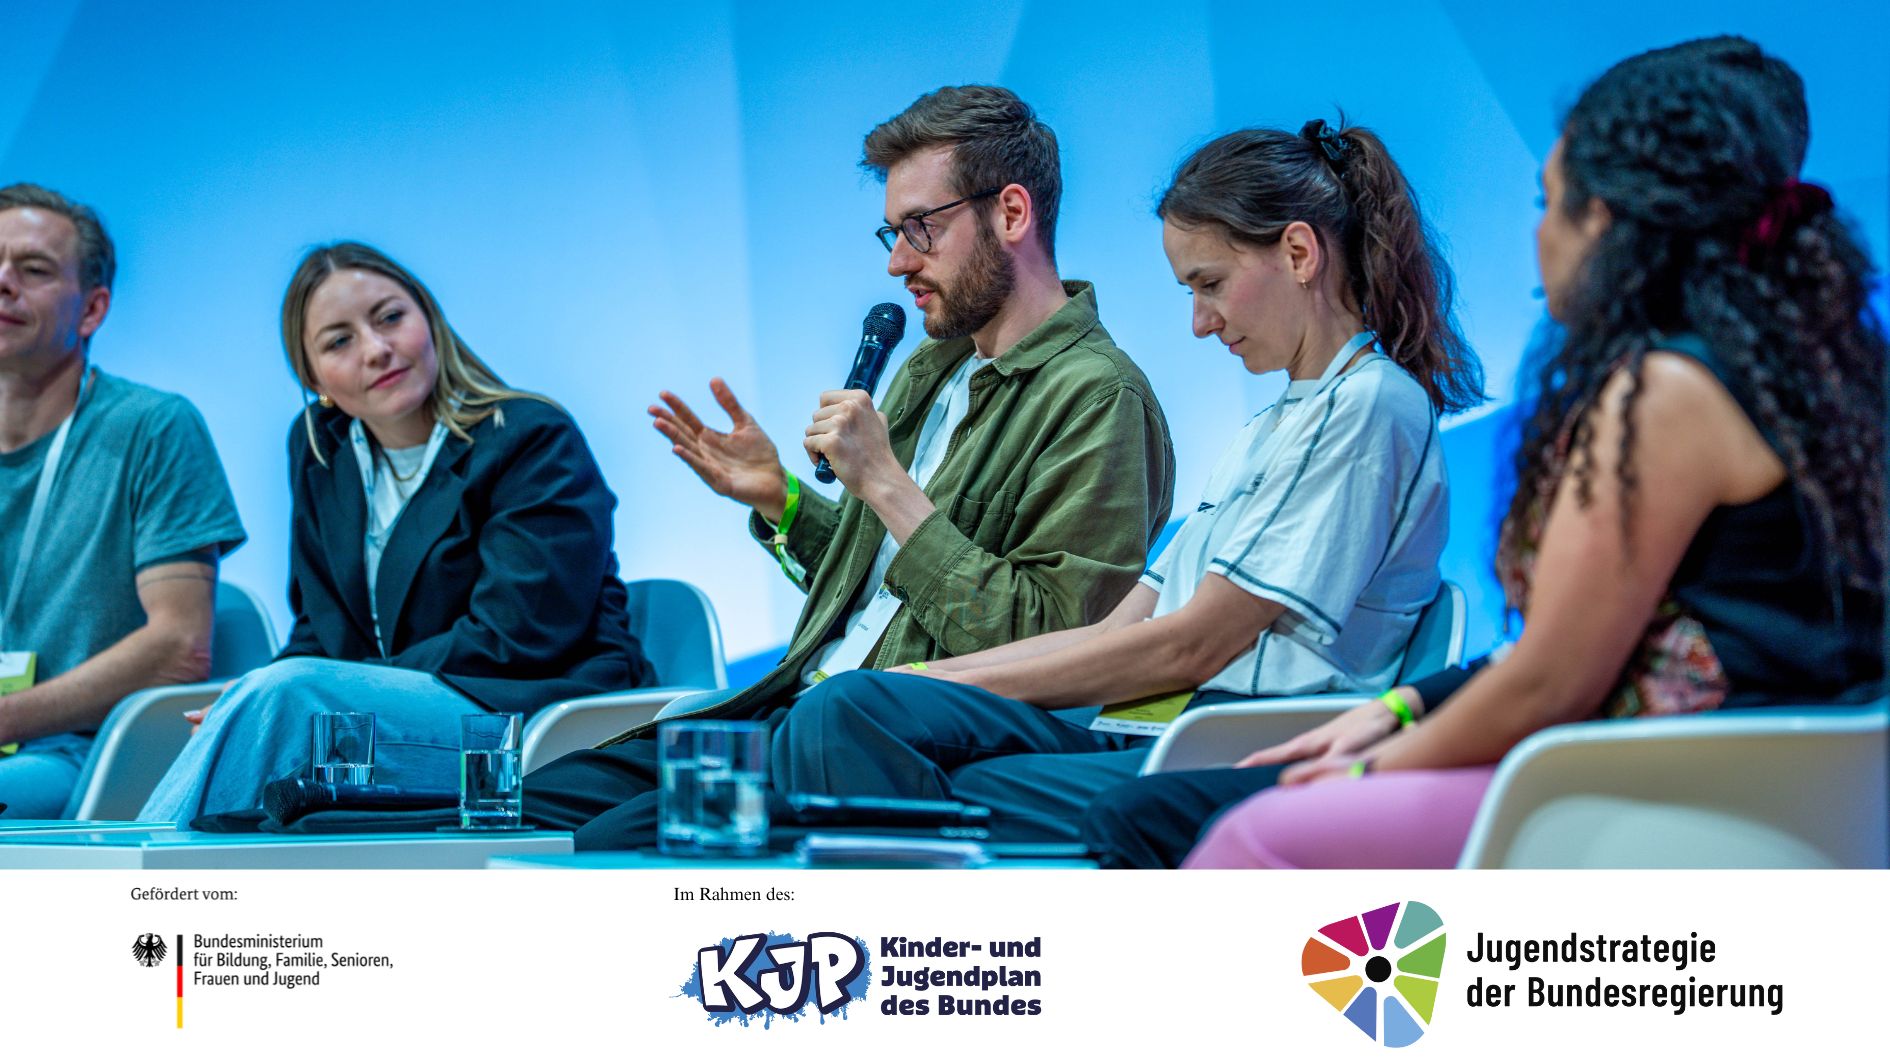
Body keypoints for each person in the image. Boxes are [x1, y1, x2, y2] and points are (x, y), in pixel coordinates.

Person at [1100, 37, 1885, 870]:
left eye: (1549, 203)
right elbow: (1573, 651)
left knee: (1239, 832)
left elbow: (1551, 680)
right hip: (1737, 778)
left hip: (1670, 790)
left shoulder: (1665, 394)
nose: (1538, 234)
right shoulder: (1794, 374)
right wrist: (1401, 709)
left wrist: (1369, 765)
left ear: (1606, 221)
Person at [771, 117, 1486, 842]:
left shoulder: (1367, 406)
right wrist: (924, 683)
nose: (1201, 323)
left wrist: (939, 682)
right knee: (868, 723)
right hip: (1149, 728)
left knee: (868, 730)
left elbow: (1192, 646)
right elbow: (1121, 628)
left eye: (1211, 285)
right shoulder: (1270, 427)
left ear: (1299, 253)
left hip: (1227, 746)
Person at [522, 84, 1175, 848]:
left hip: (894, 740)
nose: (899, 262)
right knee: (526, 807)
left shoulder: (1099, 397)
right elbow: (887, 592)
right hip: (792, 711)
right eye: (892, 233)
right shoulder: (932, 368)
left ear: (1011, 214)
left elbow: (1058, 645)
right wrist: (783, 502)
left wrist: (886, 484)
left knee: (601, 845)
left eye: (922, 228)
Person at [139, 242, 653, 823]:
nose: (376, 349)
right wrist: (247, 707)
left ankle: (142, 870)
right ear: (313, 376)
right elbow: (319, 629)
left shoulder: (531, 437)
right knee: (270, 703)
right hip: (391, 717)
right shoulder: (320, 448)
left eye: (389, 318)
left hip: (535, 716)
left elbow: (515, 637)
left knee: (288, 701)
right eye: (339, 341)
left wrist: (313, 690)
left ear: (429, 319)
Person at [0, 183, 245, 820]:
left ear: (92, 309)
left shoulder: (153, 428)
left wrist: (7, 716)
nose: (3, 281)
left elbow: (179, 646)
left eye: (33, 269)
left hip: (85, 753)